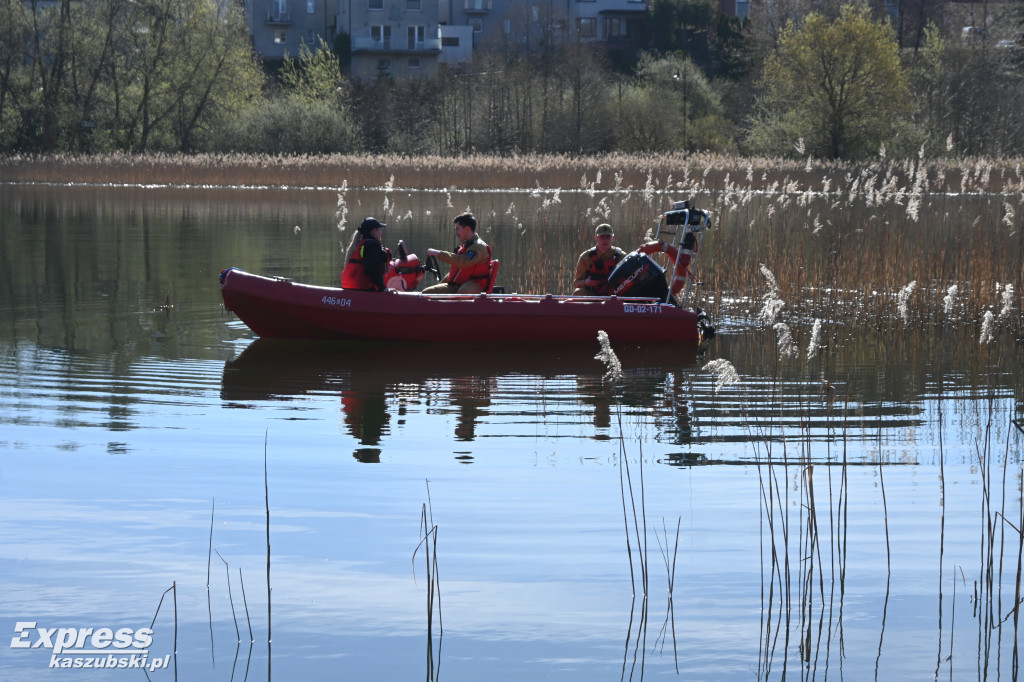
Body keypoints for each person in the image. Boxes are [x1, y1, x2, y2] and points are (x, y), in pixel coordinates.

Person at [423, 212, 493, 294]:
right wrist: (443, 283)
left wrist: (438, 253)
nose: (456, 233)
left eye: (457, 229)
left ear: (467, 229)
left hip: (476, 284)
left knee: (463, 291)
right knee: (427, 293)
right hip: (460, 283)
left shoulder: (478, 247)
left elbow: (464, 262)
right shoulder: (467, 245)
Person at [572, 223, 627, 295]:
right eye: (602, 237)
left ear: (612, 238)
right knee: (578, 293)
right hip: (592, 294)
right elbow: (576, 283)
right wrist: (586, 282)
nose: (605, 240)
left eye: (608, 237)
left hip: (615, 295)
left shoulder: (621, 256)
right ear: (596, 238)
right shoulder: (585, 257)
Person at [341, 217, 393, 291]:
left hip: (348, 286)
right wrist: (383, 288)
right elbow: (371, 269)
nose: (381, 232)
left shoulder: (356, 244)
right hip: (363, 289)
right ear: (374, 231)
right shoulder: (372, 245)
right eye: (380, 229)